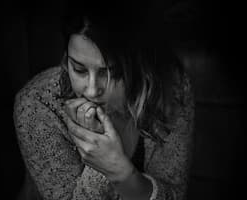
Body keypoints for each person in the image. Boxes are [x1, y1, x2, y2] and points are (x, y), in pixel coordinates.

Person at [13, 2, 194, 200]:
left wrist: (119, 172)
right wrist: (100, 167)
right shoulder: (38, 104)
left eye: (113, 73)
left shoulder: (170, 88)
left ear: (142, 67)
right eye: (79, 70)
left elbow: (174, 195)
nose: (92, 90)